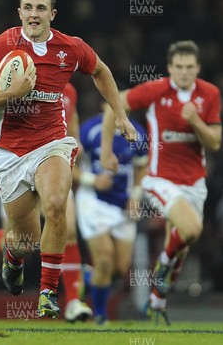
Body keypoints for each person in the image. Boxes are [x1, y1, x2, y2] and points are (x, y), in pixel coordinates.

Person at [0, 0, 135, 318]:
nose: (34, 14)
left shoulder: (70, 48)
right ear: (19, 12)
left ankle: (48, 292)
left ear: (52, 14)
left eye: (41, 8)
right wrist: (12, 93)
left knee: (58, 204)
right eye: (28, 8)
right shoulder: (2, 46)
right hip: (10, 153)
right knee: (25, 239)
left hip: (52, 143)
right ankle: (13, 259)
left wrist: (120, 115)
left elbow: (101, 70)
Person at [100, 41, 222, 325]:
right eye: (179, 67)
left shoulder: (210, 94)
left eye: (189, 67)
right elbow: (114, 105)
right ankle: (162, 267)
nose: (184, 72)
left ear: (198, 69)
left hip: (195, 182)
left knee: (183, 244)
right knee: (191, 228)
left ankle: (156, 302)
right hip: (159, 179)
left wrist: (196, 123)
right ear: (170, 68)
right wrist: (107, 151)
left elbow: (214, 142)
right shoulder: (156, 91)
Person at [0, 82, 93, 322]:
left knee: (69, 227)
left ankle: (73, 301)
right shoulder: (15, 80)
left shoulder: (69, 90)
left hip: (52, 164)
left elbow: (72, 129)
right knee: (22, 241)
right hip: (18, 167)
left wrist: (76, 146)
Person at [75, 110, 148, 324]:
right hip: (93, 202)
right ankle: (100, 315)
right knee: (105, 260)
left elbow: (142, 167)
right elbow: (68, 164)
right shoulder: (90, 129)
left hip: (123, 205)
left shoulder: (138, 132)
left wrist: (135, 196)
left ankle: (87, 277)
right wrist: (91, 180)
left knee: (119, 268)